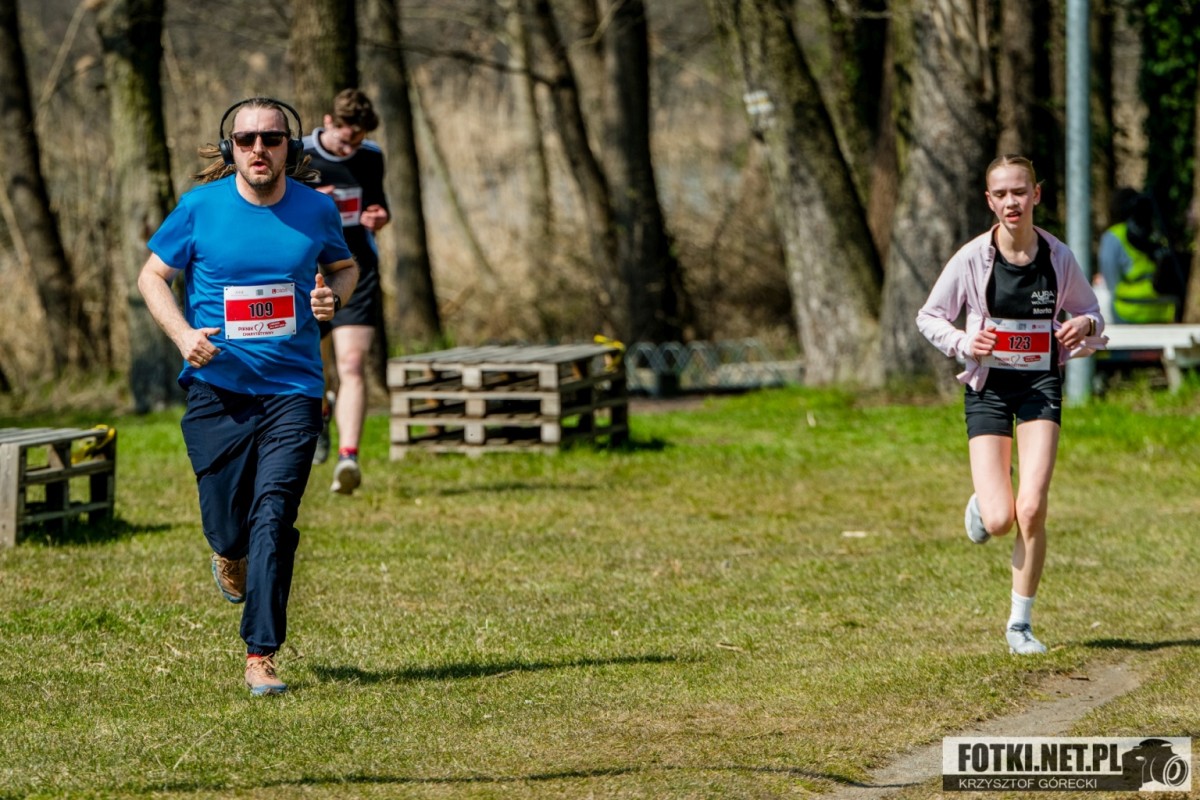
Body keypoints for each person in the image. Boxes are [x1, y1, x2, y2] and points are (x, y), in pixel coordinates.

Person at [137, 97, 358, 695]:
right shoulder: (199, 208)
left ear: (290, 147)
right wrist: (183, 336)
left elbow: (344, 267)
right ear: (230, 147)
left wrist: (332, 297)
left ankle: (260, 652)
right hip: (219, 391)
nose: (259, 149)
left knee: (274, 517)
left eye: (271, 138)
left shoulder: (315, 208)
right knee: (229, 527)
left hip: (294, 390)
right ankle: (227, 554)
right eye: (246, 140)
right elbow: (152, 276)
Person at [916, 154, 1106, 656]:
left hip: (1040, 384)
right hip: (990, 389)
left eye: (1019, 191)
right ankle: (985, 501)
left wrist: (1083, 325)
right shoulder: (972, 258)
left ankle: (1020, 625)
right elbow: (929, 316)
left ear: (1035, 194)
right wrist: (963, 342)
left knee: (1032, 506)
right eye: (1000, 194)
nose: (1011, 202)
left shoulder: (1057, 256)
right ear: (989, 201)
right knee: (1001, 519)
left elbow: (1091, 312)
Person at [302, 88, 391, 495]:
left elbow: (377, 206)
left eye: (358, 140)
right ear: (329, 122)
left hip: (357, 267)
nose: (350, 147)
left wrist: (378, 216)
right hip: (306, 272)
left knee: (352, 364)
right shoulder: (298, 154)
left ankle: (348, 458)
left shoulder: (371, 157)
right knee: (314, 365)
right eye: (345, 138)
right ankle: (322, 412)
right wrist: (309, 202)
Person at [1096, 188, 1177, 323]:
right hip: (1164, 310)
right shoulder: (1158, 229)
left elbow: (1111, 282)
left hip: (1129, 311)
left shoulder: (1113, 235)